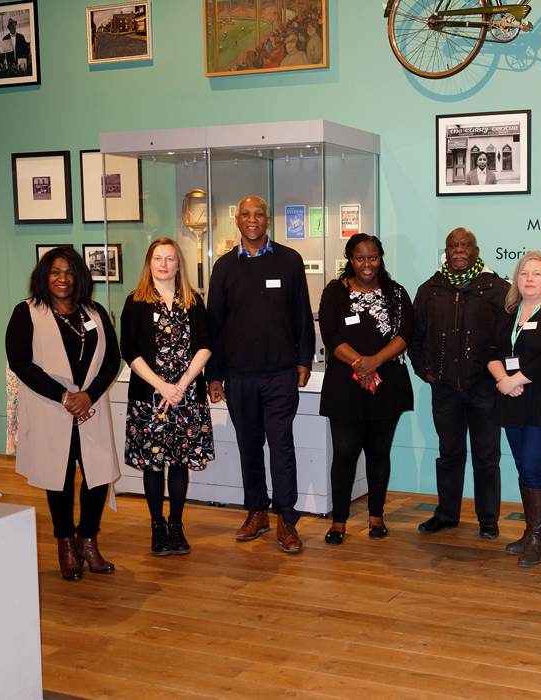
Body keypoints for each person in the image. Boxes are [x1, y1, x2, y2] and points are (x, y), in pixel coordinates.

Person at [205, 195, 315, 555]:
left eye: (259, 214)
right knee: (249, 447)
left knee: (281, 446)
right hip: (239, 376)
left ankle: (286, 518)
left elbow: (302, 313)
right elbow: (214, 327)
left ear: (268, 221)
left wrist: (304, 359)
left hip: (281, 373)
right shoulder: (223, 267)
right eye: (246, 214)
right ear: (237, 221)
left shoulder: (289, 260)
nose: (252, 220)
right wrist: (214, 375)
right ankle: (257, 511)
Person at [5, 248, 121, 581]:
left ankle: (88, 540)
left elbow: (113, 359)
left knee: (97, 474)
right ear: (44, 276)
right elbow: (21, 362)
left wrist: (88, 396)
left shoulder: (94, 311)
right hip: (51, 407)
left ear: (79, 277)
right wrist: (64, 397)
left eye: (69, 272)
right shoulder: (27, 312)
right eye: (55, 272)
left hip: (90, 408)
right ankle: (65, 544)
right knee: (60, 478)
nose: (62, 279)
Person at [408, 228, 509, 539]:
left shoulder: (497, 288)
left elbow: (508, 339)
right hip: (445, 389)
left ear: (476, 251)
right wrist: (425, 372)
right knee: (448, 454)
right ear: (446, 250)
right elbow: (415, 337)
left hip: (484, 390)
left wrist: (499, 377)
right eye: (453, 245)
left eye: (466, 245)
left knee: (487, 456)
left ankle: (488, 519)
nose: (459, 250)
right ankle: (447, 514)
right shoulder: (430, 289)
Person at [318, 234, 414, 545]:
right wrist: (360, 363)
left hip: (387, 385)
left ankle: (376, 517)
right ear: (350, 259)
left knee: (378, 453)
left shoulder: (396, 293)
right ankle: (339, 521)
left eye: (373, 257)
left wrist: (374, 362)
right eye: (360, 258)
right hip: (344, 386)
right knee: (344, 454)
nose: (367, 263)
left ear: (380, 258)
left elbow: (405, 335)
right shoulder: (334, 292)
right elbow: (329, 334)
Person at [120, 238, 214, 556]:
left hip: (186, 397)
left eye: (170, 259)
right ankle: (157, 527)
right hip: (150, 396)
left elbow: (205, 344)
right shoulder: (135, 302)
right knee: (153, 465)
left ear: (178, 264)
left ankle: (176, 525)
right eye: (158, 258)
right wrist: (161, 385)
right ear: (149, 263)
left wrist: (182, 385)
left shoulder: (194, 301)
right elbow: (129, 350)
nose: (163, 264)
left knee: (178, 463)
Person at [487, 252, 541, 567]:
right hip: (512, 399)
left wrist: (514, 380)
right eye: (523, 274)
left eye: (536, 274)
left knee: (533, 468)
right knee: (523, 468)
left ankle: (538, 539)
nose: (529, 279)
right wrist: (503, 381)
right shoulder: (508, 313)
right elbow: (491, 352)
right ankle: (529, 532)